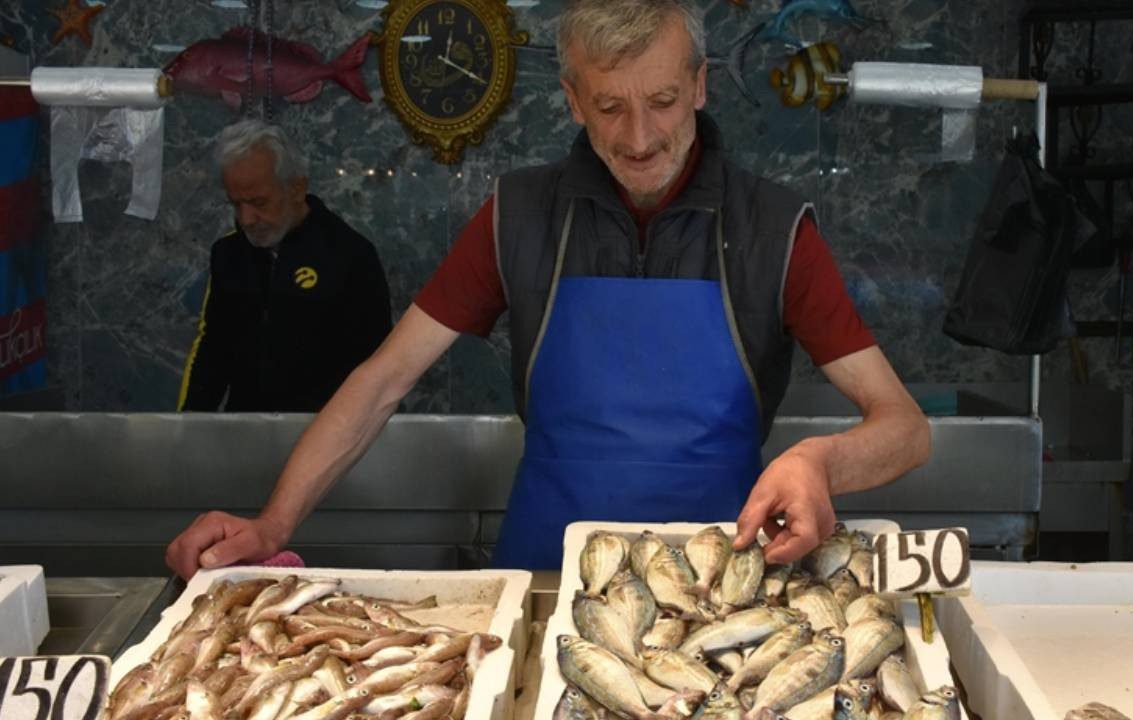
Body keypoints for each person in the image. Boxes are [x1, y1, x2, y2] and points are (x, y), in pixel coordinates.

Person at [166, 0, 929, 577]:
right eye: (609, 107)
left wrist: (820, 463)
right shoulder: (518, 216)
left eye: (662, 102)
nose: (638, 138)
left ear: (699, 86)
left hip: (718, 584)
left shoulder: (774, 229)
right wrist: (271, 525)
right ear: (570, 100)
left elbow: (903, 426)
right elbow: (381, 381)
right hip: (540, 578)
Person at [178, 120, 392, 412]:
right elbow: (213, 350)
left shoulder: (350, 255)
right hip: (247, 434)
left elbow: (375, 367)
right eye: (236, 204)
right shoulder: (228, 253)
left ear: (296, 188)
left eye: (259, 202)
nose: (246, 219)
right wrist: (188, 429)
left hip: (324, 435)